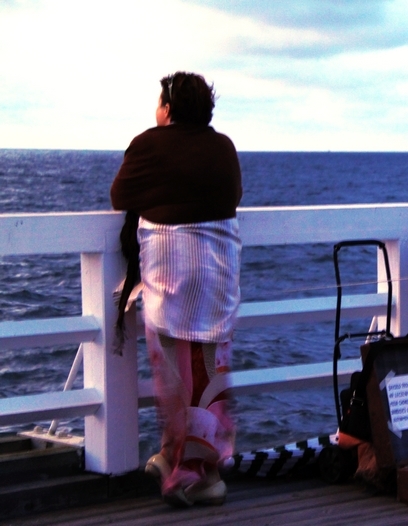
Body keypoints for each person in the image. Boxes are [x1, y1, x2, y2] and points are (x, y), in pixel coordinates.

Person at [110, 71, 242, 506]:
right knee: (207, 375)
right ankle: (196, 465)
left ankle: (190, 474)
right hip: (218, 277)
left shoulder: (149, 143)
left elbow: (121, 194)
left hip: (172, 279)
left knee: (174, 377)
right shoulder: (222, 147)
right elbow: (232, 195)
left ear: (167, 107)